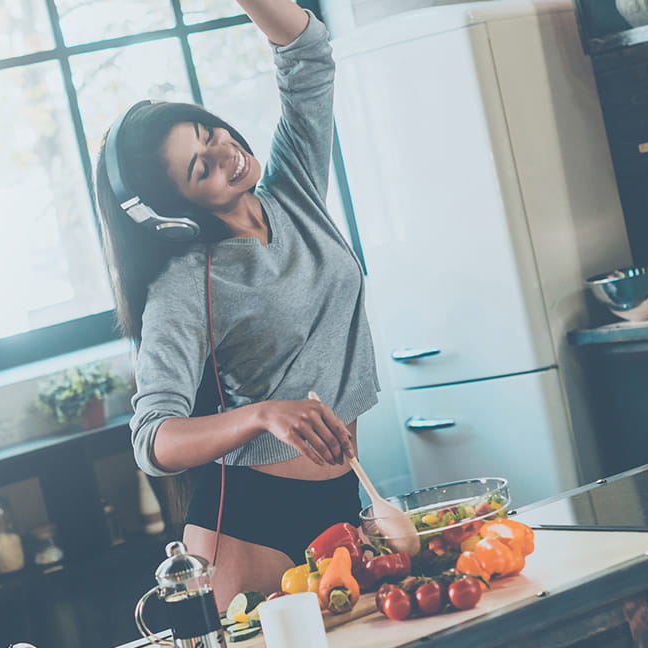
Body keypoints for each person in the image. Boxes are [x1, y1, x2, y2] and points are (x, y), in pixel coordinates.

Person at [93, 0, 379, 606]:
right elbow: (153, 439)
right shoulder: (184, 283)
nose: (225, 152)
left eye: (209, 132)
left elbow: (306, 54)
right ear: (177, 214)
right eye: (202, 167)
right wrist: (262, 414)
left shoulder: (292, 189)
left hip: (344, 500)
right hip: (250, 528)